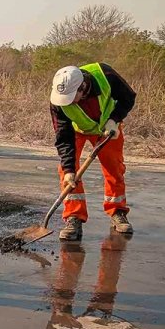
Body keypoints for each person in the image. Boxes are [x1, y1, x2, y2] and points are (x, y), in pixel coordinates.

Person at [49, 63, 136, 241]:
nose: (68, 102)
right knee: (68, 172)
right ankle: (74, 217)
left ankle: (117, 211)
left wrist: (114, 120)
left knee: (114, 168)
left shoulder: (106, 75)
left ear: (83, 87)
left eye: (72, 97)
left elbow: (128, 98)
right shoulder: (58, 101)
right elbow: (63, 136)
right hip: (76, 131)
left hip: (107, 127)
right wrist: (68, 170)